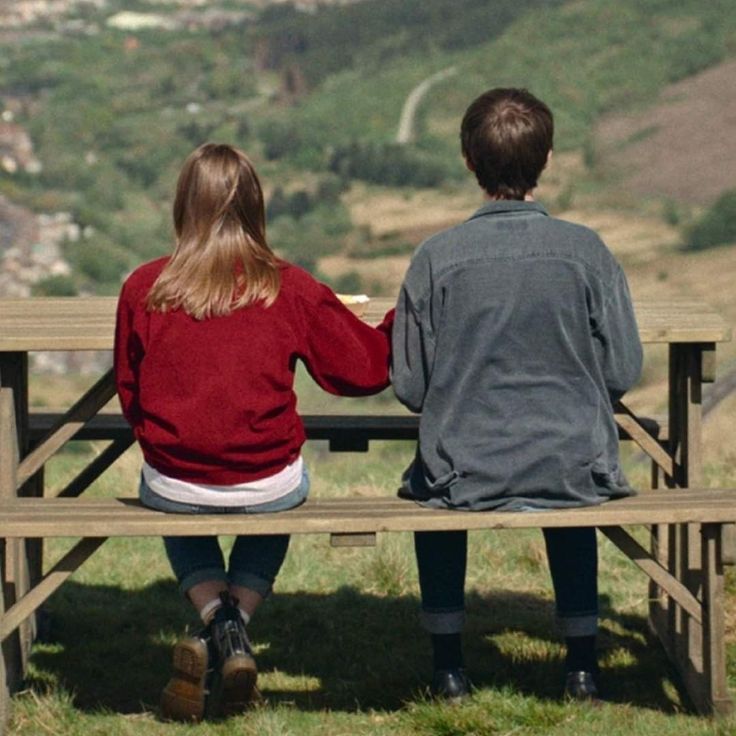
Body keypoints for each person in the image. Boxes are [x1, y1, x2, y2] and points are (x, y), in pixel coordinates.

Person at [114, 143, 392, 721]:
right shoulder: (288, 286)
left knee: (174, 489)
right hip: (267, 482)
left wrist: (168, 441)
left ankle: (215, 624)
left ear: (183, 205)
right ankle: (234, 627)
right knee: (281, 489)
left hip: (174, 482)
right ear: (256, 205)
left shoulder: (143, 287)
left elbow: (130, 390)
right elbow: (361, 370)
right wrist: (395, 320)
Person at [391, 88, 643, 701]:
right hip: (572, 463)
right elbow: (622, 370)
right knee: (563, 453)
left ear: (468, 161)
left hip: (464, 469)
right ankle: (581, 665)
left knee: (433, 485)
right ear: (548, 159)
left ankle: (449, 666)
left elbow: (411, 387)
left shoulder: (435, 257)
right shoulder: (588, 251)